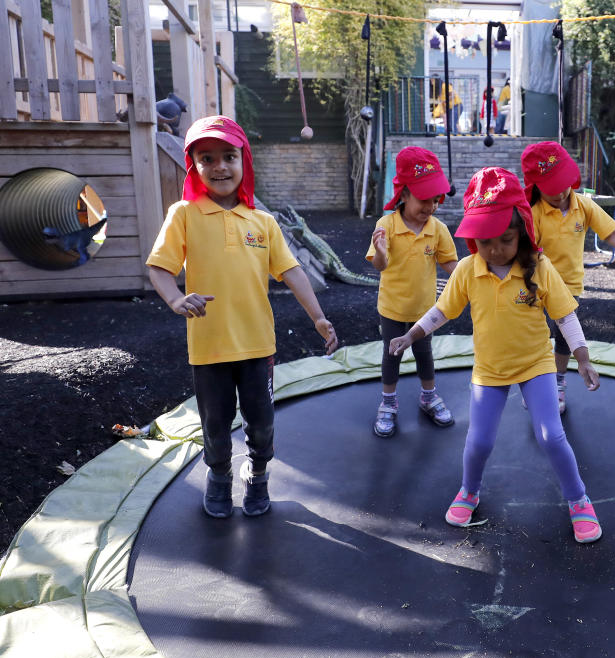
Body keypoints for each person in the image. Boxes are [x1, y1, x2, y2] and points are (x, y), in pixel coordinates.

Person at [389, 167, 603, 544]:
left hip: (536, 365)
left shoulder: (539, 268)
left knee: (551, 436)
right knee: (479, 442)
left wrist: (583, 358)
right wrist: (411, 334)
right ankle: (469, 491)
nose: (495, 249)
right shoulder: (470, 270)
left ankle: (579, 499)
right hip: (489, 370)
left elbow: (565, 315)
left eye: (505, 239)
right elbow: (441, 311)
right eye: (485, 241)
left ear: (522, 232)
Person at [146, 115, 338, 519]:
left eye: (229, 156)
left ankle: (259, 473)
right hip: (209, 346)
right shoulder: (184, 214)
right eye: (207, 158)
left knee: (262, 420)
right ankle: (218, 477)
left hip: (256, 345)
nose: (219, 167)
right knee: (215, 423)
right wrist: (176, 299)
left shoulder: (261, 222)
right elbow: (160, 267)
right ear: (194, 166)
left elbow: (292, 271)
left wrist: (318, 317)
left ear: (243, 161)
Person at [521, 141, 615, 414]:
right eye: (552, 187)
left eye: (564, 183)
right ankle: (536, 385)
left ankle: (558, 382)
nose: (561, 192)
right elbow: (525, 252)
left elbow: (611, 233)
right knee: (535, 337)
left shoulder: (582, 205)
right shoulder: (533, 213)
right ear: (536, 186)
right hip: (536, 285)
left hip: (569, 286)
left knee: (563, 338)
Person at [366, 146, 458, 438]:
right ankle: (388, 403)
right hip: (392, 307)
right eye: (423, 199)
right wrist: (380, 251)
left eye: (434, 199)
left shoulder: (438, 229)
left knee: (424, 352)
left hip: (424, 310)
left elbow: (449, 264)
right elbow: (380, 266)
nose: (429, 206)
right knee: (391, 355)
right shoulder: (387, 225)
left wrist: (469, 277)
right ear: (403, 195)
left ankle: (428, 396)